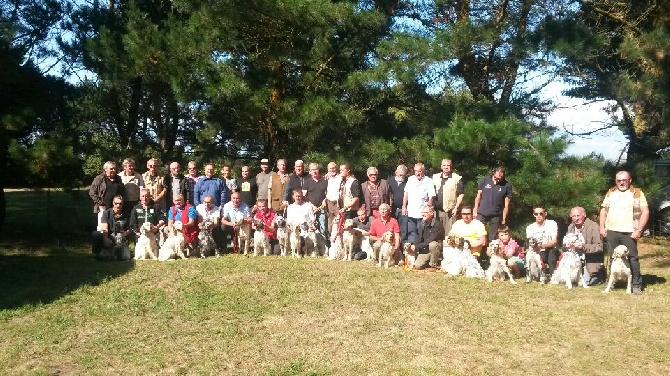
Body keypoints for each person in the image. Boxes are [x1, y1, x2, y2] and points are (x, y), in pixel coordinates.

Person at [599, 170, 649, 294]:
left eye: (624, 180)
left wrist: (639, 230)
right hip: (612, 231)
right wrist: (602, 227)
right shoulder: (610, 192)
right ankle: (611, 283)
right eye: (619, 180)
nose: (621, 183)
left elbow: (645, 212)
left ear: (629, 180)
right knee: (613, 257)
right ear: (616, 181)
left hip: (630, 232)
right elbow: (603, 211)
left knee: (632, 258)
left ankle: (636, 284)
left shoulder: (637, 193)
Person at [565, 206, 604, 286]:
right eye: (573, 216)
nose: (576, 218)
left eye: (578, 216)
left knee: (585, 282)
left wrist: (583, 247)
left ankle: (599, 275)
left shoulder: (594, 226)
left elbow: (599, 247)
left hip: (589, 260)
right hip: (573, 259)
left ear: (584, 215)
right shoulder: (571, 227)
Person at [474, 166, 512, 246]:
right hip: (481, 213)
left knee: (493, 238)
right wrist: (475, 210)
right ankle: (478, 256)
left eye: (500, 178)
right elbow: (478, 196)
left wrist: (504, 218)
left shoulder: (507, 185)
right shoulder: (485, 180)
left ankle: (491, 256)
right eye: (496, 177)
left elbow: (506, 204)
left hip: (496, 215)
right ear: (493, 173)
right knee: (478, 235)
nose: (498, 180)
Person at [402, 163, 436, 243]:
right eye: (416, 171)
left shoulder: (428, 181)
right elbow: (406, 193)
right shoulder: (410, 179)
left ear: (423, 171)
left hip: (422, 214)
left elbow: (431, 196)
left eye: (419, 171)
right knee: (411, 233)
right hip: (411, 212)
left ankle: (420, 251)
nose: (417, 173)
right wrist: (404, 206)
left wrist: (428, 209)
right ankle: (411, 251)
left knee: (421, 233)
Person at [404, 204, 444, 270]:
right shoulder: (422, 223)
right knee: (417, 266)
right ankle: (429, 260)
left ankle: (434, 265)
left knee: (433, 244)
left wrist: (416, 247)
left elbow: (429, 240)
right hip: (425, 248)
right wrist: (414, 245)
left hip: (435, 248)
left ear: (431, 213)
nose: (422, 214)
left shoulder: (437, 225)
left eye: (425, 212)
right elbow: (418, 237)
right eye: (422, 212)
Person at [91, 196, 131, 260]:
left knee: (125, 258)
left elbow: (129, 228)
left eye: (120, 204)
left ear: (122, 204)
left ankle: (119, 253)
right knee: (95, 234)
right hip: (110, 237)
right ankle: (96, 253)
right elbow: (105, 228)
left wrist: (127, 232)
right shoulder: (106, 213)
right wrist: (105, 238)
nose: (118, 205)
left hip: (121, 238)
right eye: (116, 203)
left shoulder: (126, 214)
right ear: (113, 203)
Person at [431, 158, 464, 234]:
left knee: (449, 235)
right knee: (436, 234)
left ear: (451, 167)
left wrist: (456, 207)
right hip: (436, 212)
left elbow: (461, 194)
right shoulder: (435, 177)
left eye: (448, 165)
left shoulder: (457, 178)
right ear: (441, 167)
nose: (446, 167)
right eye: (444, 165)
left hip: (449, 212)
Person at [525, 204, 559, 277]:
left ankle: (553, 275)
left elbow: (554, 241)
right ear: (533, 215)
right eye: (536, 214)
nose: (538, 216)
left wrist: (542, 246)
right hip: (537, 251)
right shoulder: (530, 227)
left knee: (551, 253)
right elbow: (529, 244)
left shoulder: (552, 223)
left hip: (550, 249)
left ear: (545, 214)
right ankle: (532, 274)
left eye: (541, 213)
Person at [89, 161, 125, 228]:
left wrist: (120, 203)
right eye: (111, 169)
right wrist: (100, 203)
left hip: (115, 207)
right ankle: (102, 238)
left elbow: (122, 192)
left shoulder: (118, 178)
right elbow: (92, 192)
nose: (113, 170)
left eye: (114, 168)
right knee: (102, 227)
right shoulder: (99, 178)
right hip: (103, 207)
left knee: (114, 226)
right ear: (106, 169)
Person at [303, 162, 328, 241]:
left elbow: (327, 195)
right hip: (310, 209)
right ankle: (311, 245)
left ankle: (323, 246)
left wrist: (324, 201)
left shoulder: (324, 181)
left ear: (318, 170)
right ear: (309, 171)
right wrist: (312, 206)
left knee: (322, 227)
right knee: (310, 227)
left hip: (322, 208)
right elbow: (304, 196)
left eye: (316, 169)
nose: (314, 171)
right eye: (312, 170)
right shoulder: (307, 182)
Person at [389, 164, 408, 244]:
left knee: (404, 229)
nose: (402, 177)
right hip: (392, 209)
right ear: (396, 172)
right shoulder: (390, 180)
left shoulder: (408, 181)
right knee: (392, 229)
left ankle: (403, 249)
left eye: (404, 175)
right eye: (400, 175)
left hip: (403, 209)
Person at [324, 161, 342, 235]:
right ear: (328, 170)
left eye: (333, 168)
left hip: (338, 203)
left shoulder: (341, 177)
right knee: (330, 222)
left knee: (339, 222)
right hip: (329, 203)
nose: (332, 170)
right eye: (330, 169)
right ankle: (330, 241)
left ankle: (339, 240)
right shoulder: (327, 177)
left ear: (336, 168)